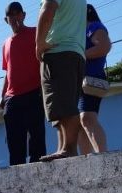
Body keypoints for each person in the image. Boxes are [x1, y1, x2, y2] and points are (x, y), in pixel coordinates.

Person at [36, 0, 87, 161]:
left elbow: (48, 9)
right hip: (75, 53)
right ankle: (64, 148)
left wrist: (39, 43)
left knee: (62, 102)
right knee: (62, 104)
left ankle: (69, 149)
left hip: (59, 51)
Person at [1, 1, 47, 165]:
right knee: (14, 142)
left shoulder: (36, 33)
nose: (14, 18)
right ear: (6, 20)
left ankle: (39, 173)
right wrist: (3, 97)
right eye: (10, 15)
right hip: (12, 98)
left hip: (34, 92)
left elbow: (44, 59)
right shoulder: (5, 44)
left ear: (24, 15)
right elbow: (8, 71)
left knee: (36, 138)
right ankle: (16, 175)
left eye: (17, 13)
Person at [77, 3, 111, 154]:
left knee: (87, 118)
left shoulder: (94, 27)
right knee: (80, 123)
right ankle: (86, 161)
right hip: (80, 81)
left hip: (91, 79)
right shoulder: (82, 31)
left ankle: (102, 156)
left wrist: (80, 55)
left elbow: (104, 46)